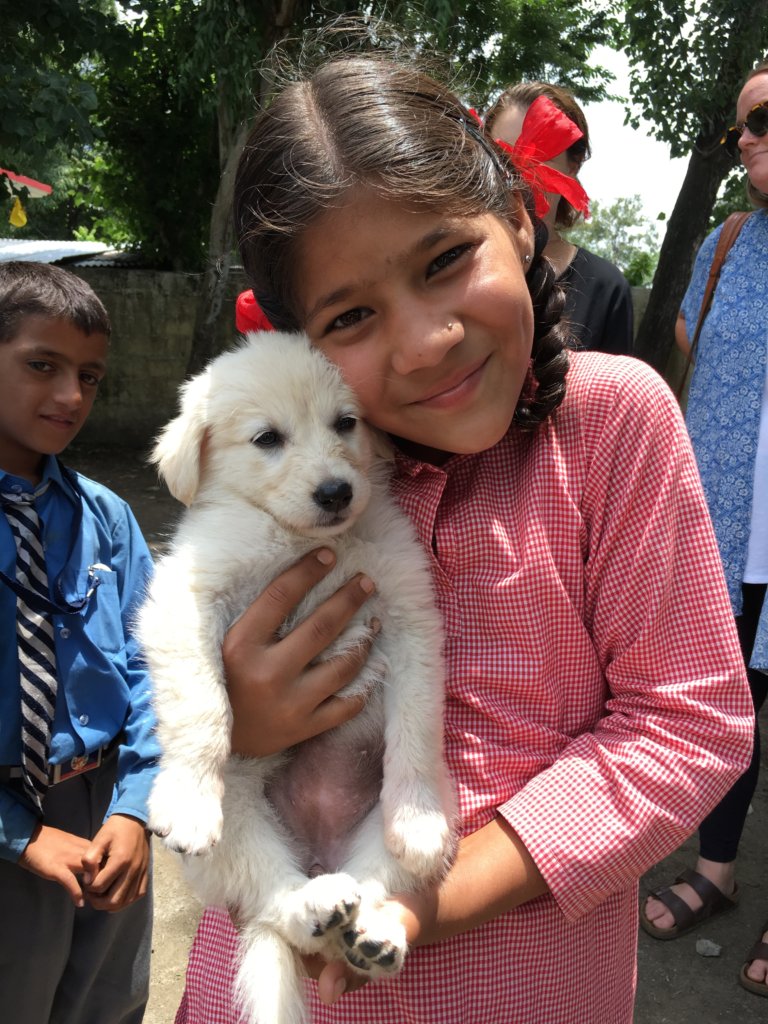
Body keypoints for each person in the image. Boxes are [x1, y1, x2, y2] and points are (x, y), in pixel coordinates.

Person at [174, 36, 754, 1024]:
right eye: (351, 316)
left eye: (446, 259)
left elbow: (686, 722)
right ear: (295, 342)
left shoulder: (613, 423)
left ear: (522, 223)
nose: (426, 338)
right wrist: (238, 722)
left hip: (523, 991)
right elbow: (183, 637)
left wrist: (429, 899)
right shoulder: (293, 468)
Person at [0, 261, 159, 1022]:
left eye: (89, 377)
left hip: (106, 819)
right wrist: (20, 835)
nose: (70, 397)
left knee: (110, 1004)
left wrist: (135, 809)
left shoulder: (110, 520)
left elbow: (156, 668)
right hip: (7, 822)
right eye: (42, 366)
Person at [641, 60, 768, 999]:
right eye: (743, 127)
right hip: (727, 527)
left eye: (762, 117)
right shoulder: (728, 244)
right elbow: (691, 339)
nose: (748, 138)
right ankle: (717, 872)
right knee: (730, 705)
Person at [485, 81, 635, 354]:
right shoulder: (461, 267)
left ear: (572, 165)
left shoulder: (606, 288)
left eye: (536, 157)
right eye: (504, 157)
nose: (517, 177)